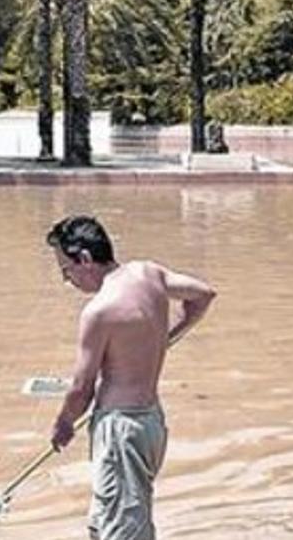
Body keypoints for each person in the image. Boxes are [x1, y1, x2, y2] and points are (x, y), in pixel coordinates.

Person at [45, 215, 216, 540]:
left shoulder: (99, 311)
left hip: (121, 432)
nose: (67, 281)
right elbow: (203, 295)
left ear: (84, 259)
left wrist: (63, 423)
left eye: (65, 270)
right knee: (105, 524)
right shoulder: (148, 273)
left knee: (123, 533)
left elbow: (82, 390)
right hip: (151, 423)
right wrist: (165, 338)